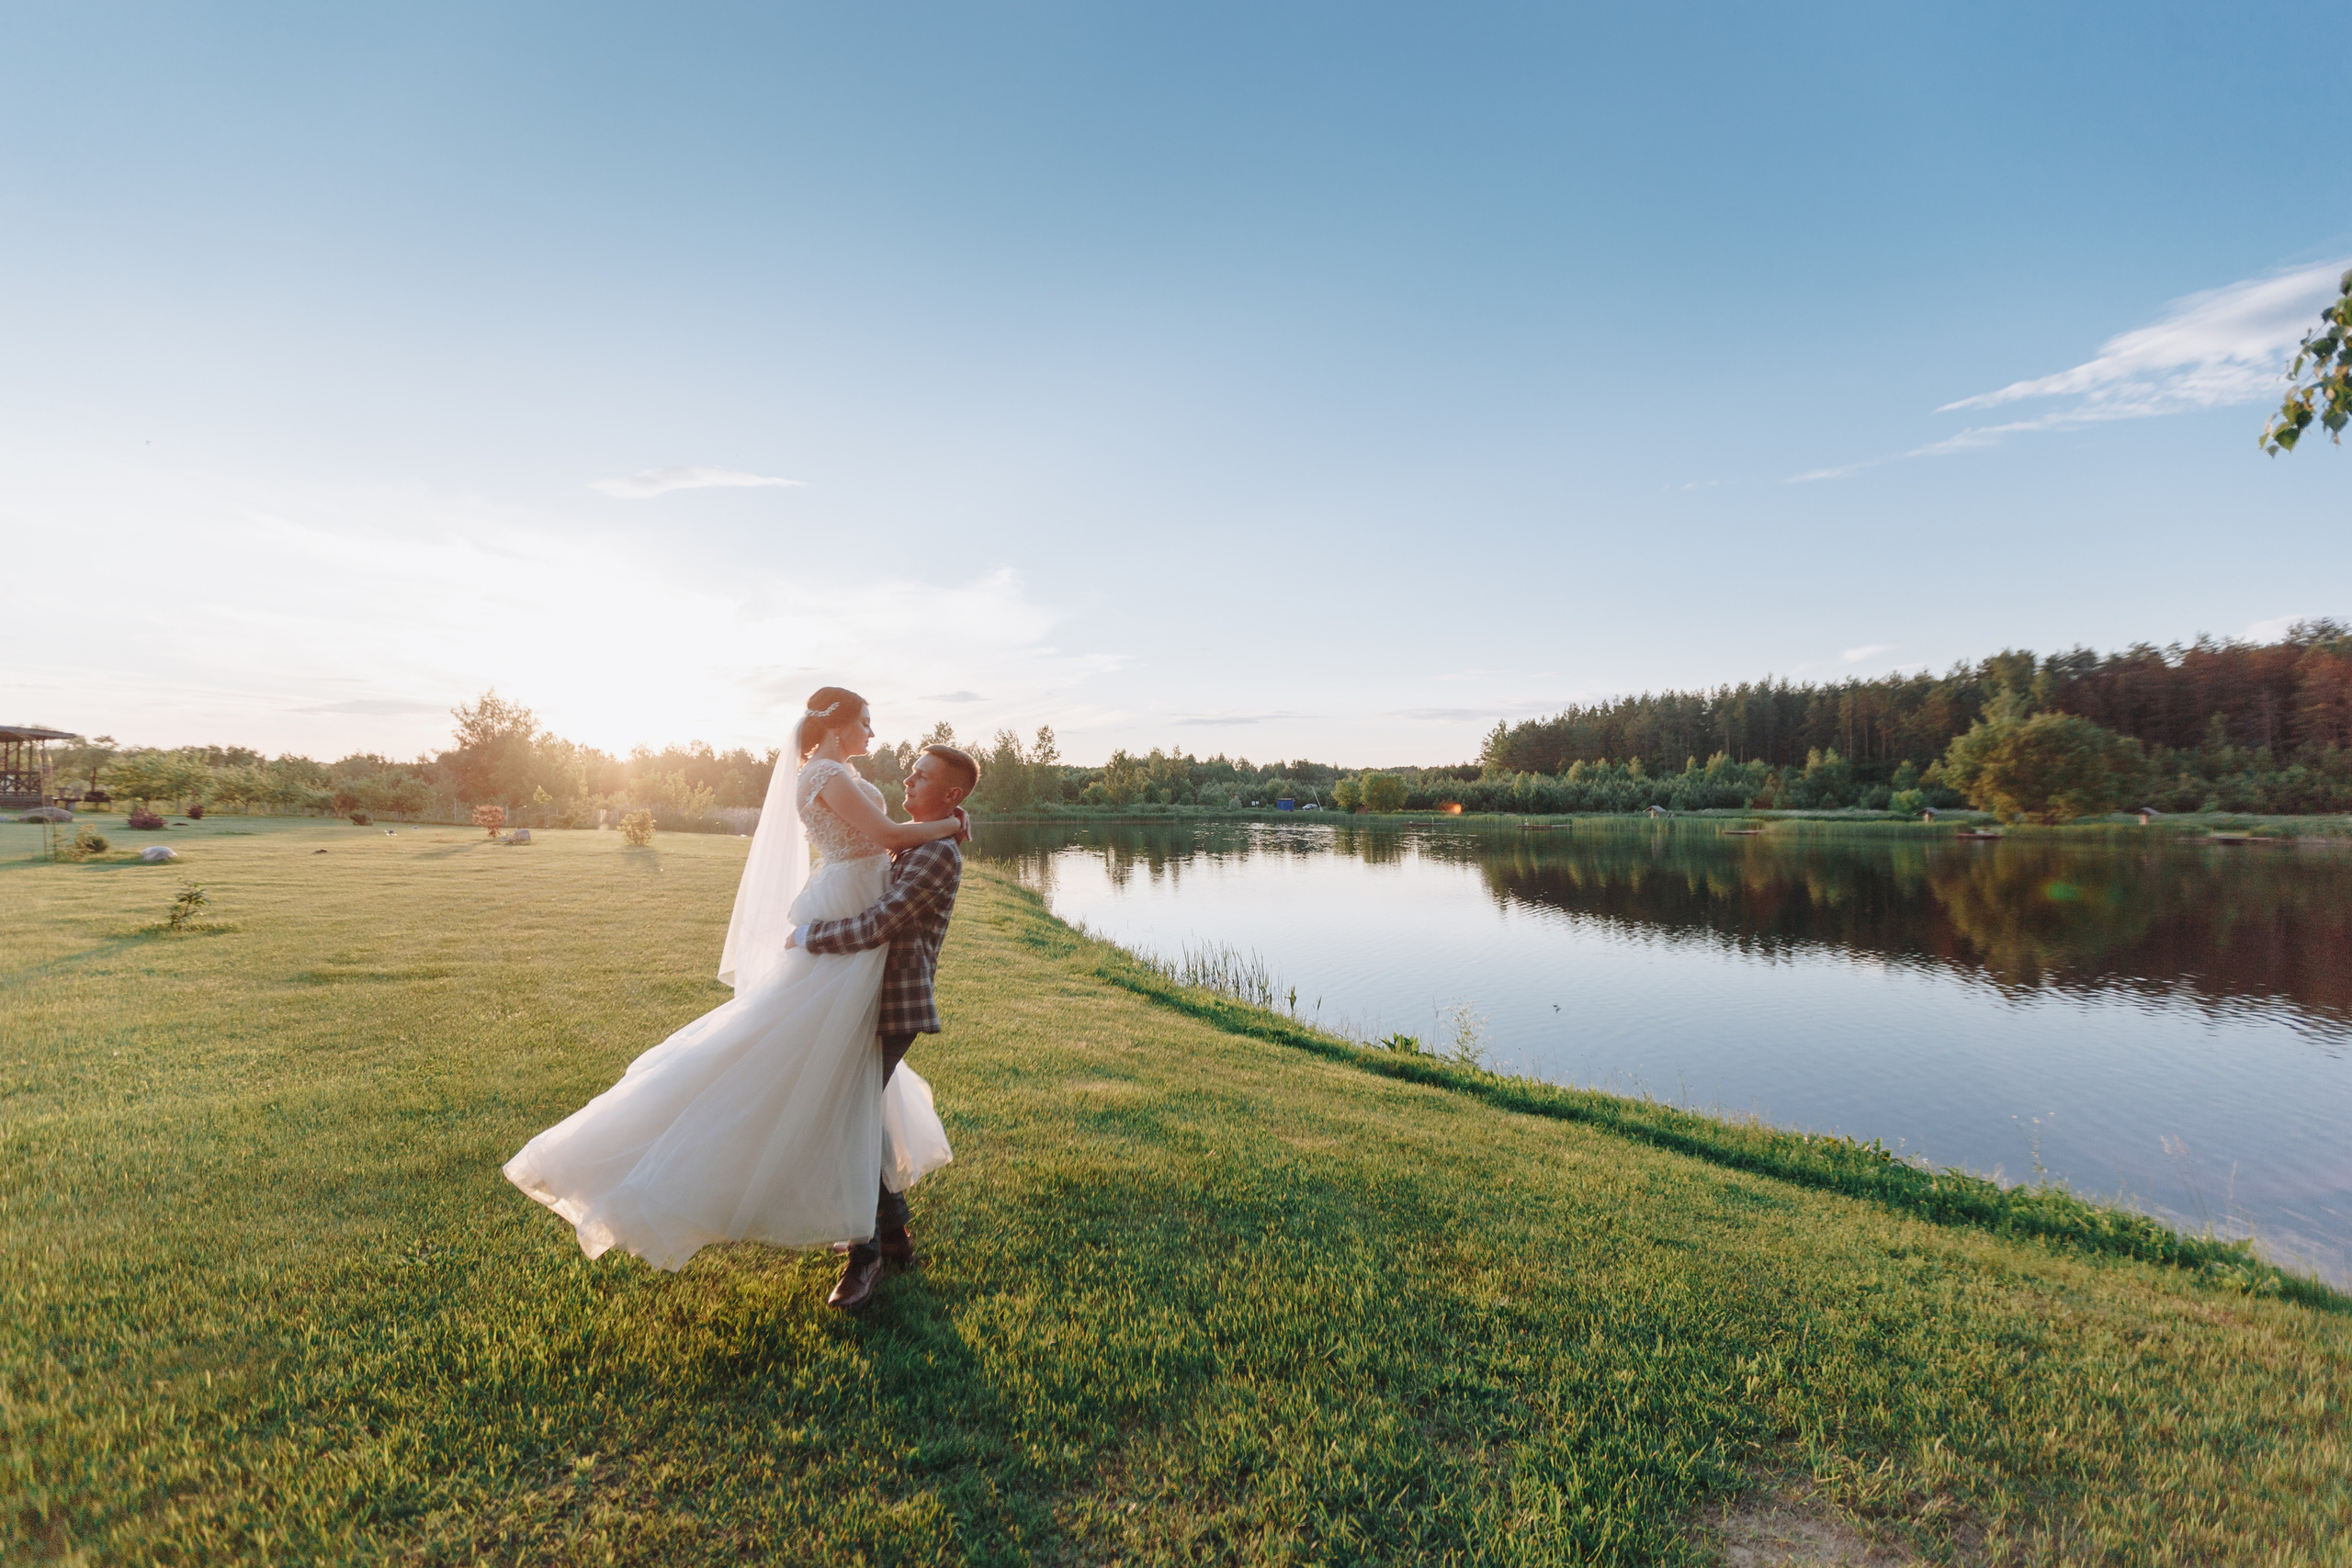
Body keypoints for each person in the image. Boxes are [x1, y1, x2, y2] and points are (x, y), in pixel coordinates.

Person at [501, 687, 965, 1276]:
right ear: (838, 725)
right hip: (850, 904)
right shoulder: (828, 774)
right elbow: (893, 838)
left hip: (856, 905)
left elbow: (890, 843)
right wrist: (952, 821)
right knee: (824, 1087)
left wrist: (940, 826)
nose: (873, 736)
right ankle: (871, 1243)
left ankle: (882, 1240)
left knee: (842, 1091)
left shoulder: (834, 773)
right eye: (867, 724)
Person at [786, 741, 978, 1312]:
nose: (908, 783)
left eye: (922, 778)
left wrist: (808, 937)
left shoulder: (938, 854)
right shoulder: (923, 842)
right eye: (911, 773)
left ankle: (864, 1258)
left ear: (951, 796)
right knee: (860, 1112)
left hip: (894, 1003)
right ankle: (892, 1237)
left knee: (848, 1117)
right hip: (862, 998)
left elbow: (880, 924)